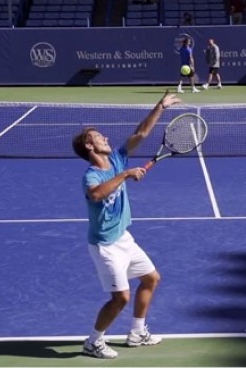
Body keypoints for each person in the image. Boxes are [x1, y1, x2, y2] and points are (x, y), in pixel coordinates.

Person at [72, 91, 182, 359]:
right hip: (105, 246)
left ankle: (137, 332)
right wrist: (125, 174)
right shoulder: (92, 175)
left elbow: (141, 134)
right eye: (99, 137)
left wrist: (161, 107)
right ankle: (93, 342)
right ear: (90, 146)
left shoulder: (119, 157)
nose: (106, 138)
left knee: (151, 278)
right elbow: (96, 194)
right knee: (120, 298)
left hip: (123, 238)